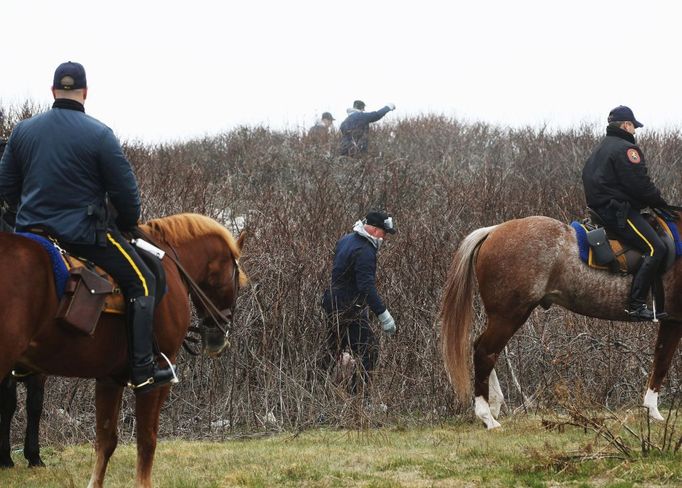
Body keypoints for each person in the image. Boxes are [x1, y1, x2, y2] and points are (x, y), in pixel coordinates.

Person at [0, 61, 175, 393]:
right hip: (83, 237)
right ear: (85, 93)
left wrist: (24, 216)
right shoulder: (99, 134)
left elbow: (6, 186)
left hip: (33, 234)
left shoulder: (23, 131)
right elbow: (127, 197)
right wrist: (125, 222)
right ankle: (142, 368)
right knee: (144, 281)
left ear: (53, 92)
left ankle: (22, 364)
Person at [582, 105, 669, 321]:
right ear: (626, 125)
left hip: (599, 209)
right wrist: (660, 203)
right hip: (617, 212)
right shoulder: (627, 149)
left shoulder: (599, 149)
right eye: (634, 127)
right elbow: (640, 185)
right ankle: (636, 304)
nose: (635, 132)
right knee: (655, 248)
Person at [320, 210, 397, 394]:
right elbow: (366, 287)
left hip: (332, 302)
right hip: (349, 308)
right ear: (375, 230)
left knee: (332, 351)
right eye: (384, 233)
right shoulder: (365, 251)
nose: (384, 238)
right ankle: (358, 399)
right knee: (370, 350)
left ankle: (313, 394)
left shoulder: (346, 240)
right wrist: (384, 315)